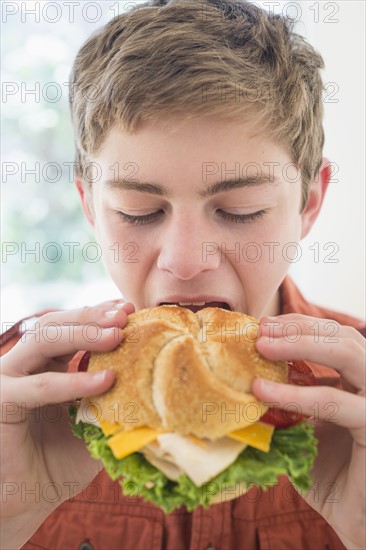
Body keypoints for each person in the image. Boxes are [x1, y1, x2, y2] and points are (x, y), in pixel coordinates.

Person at [1, 1, 365, 549]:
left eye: (240, 210)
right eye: (138, 212)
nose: (186, 259)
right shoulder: (15, 398)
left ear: (309, 203)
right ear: (91, 207)